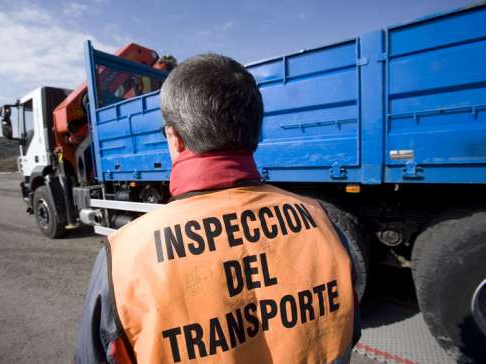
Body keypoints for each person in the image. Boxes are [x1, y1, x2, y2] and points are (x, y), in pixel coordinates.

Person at [75, 53, 361, 363]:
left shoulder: (123, 259)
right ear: (256, 133)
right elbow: (347, 330)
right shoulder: (323, 224)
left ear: (176, 139)